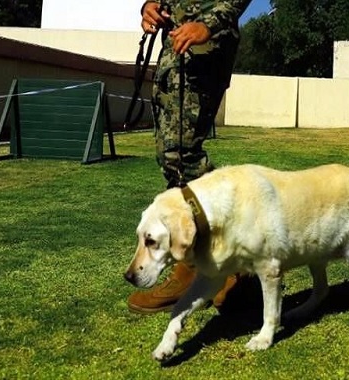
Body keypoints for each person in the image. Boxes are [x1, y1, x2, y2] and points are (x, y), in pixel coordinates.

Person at [127, 0, 252, 314]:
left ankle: (218, 263)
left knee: (183, 156)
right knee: (170, 158)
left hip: (203, 51)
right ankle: (216, 263)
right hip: (174, 52)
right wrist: (150, 7)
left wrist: (207, 25)